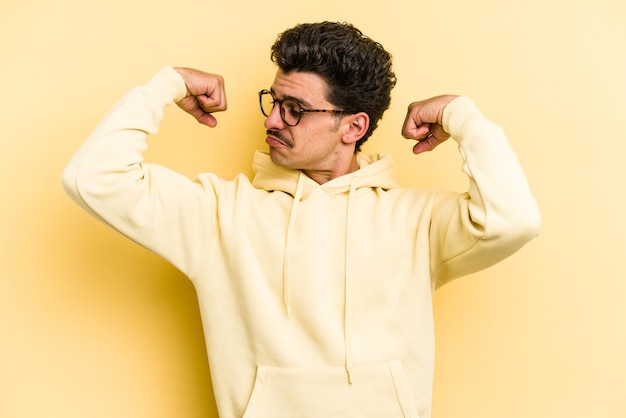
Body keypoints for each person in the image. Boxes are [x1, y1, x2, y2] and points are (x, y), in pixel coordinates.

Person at [62, 21, 540, 418]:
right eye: (274, 102)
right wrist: (163, 87)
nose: (272, 121)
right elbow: (92, 177)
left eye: (295, 110)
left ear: (353, 126)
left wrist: (464, 118)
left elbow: (513, 219)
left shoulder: (418, 221)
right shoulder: (218, 215)